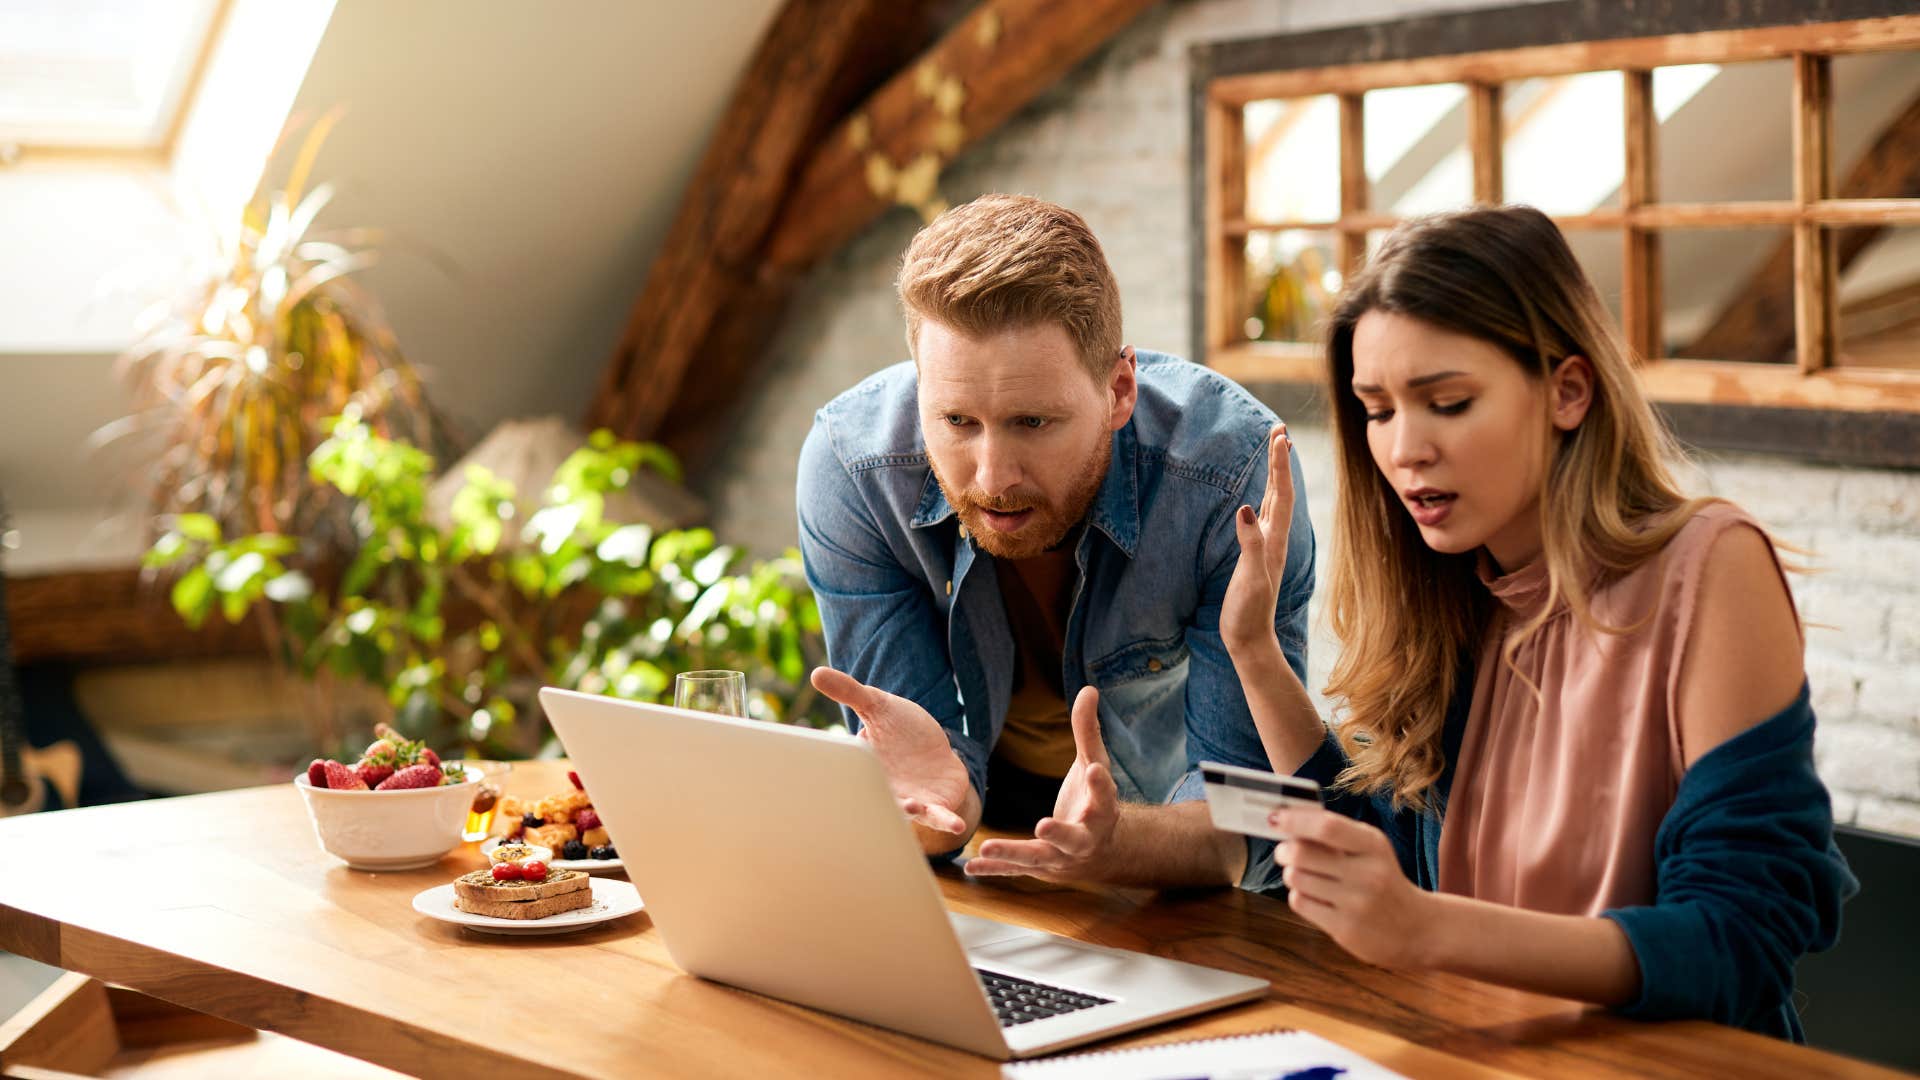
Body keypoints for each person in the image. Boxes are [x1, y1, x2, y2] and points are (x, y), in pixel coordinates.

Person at [1221, 205, 1855, 1038]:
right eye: (1377, 410)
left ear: (1568, 391)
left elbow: (1741, 940)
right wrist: (1253, 651)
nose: (1405, 449)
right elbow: (1392, 873)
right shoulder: (1457, 595)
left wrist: (1431, 929)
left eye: (1448, 402)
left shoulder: (1712, 567)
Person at [795, 193, 1315, 888]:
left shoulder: (1231, 477)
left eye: (1032, 422)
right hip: (987, 850)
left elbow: (1248, 816)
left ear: (1119, 390)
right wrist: (933, 813)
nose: (992, 478)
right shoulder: (853, 469)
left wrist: (1116, 843)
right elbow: (924, 790)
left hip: (1165, 846)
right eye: (957, 421)